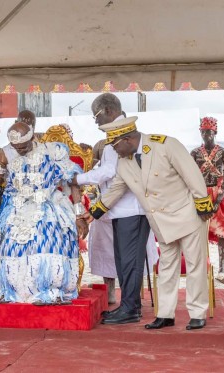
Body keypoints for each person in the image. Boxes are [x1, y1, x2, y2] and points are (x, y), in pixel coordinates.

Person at [86, 116, 213, 330]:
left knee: (195, 265)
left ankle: (197, 312)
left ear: (126, 139)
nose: (114, 151)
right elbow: (116, 189)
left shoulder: (165, 145)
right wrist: (94, 213)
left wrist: (202, 201)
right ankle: (165, 314)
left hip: (186, 215)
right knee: (166, 267)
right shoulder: (124, 164)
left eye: (114, 146)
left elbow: (191, 173)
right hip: (160, 222)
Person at [73, 94, 158, 324]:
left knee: (130, 262)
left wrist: (77, 178)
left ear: (108, 110)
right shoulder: (116, 134)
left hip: (131, 210)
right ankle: (129, 306)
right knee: (123, 261)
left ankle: (130, 309)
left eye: (96, 116)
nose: (95, 122)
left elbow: (111, 172)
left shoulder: (120, 133)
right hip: (120, 210)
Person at [0, 122, 88, 304]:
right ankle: (14, 291)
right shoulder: (5, 154)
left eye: (23, 147)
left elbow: (73, 181)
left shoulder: (52, 152)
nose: (19, 151)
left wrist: (79, 214)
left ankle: (49, 289)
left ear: (32, 138)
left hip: (49, 204)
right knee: (11, 243)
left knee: (50, 238)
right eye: (15, 147)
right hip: (17, 207)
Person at [191, 117, 224, 284]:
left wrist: (218, 200)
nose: (205, 135)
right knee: (198, 232)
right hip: (200, 194)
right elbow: (190, 176)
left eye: (208, 132)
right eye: (202, 131)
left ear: (214, 132)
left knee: (223, 232)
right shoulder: (194, 153)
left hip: (219, 194)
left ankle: (222, 271)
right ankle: (201, 269)